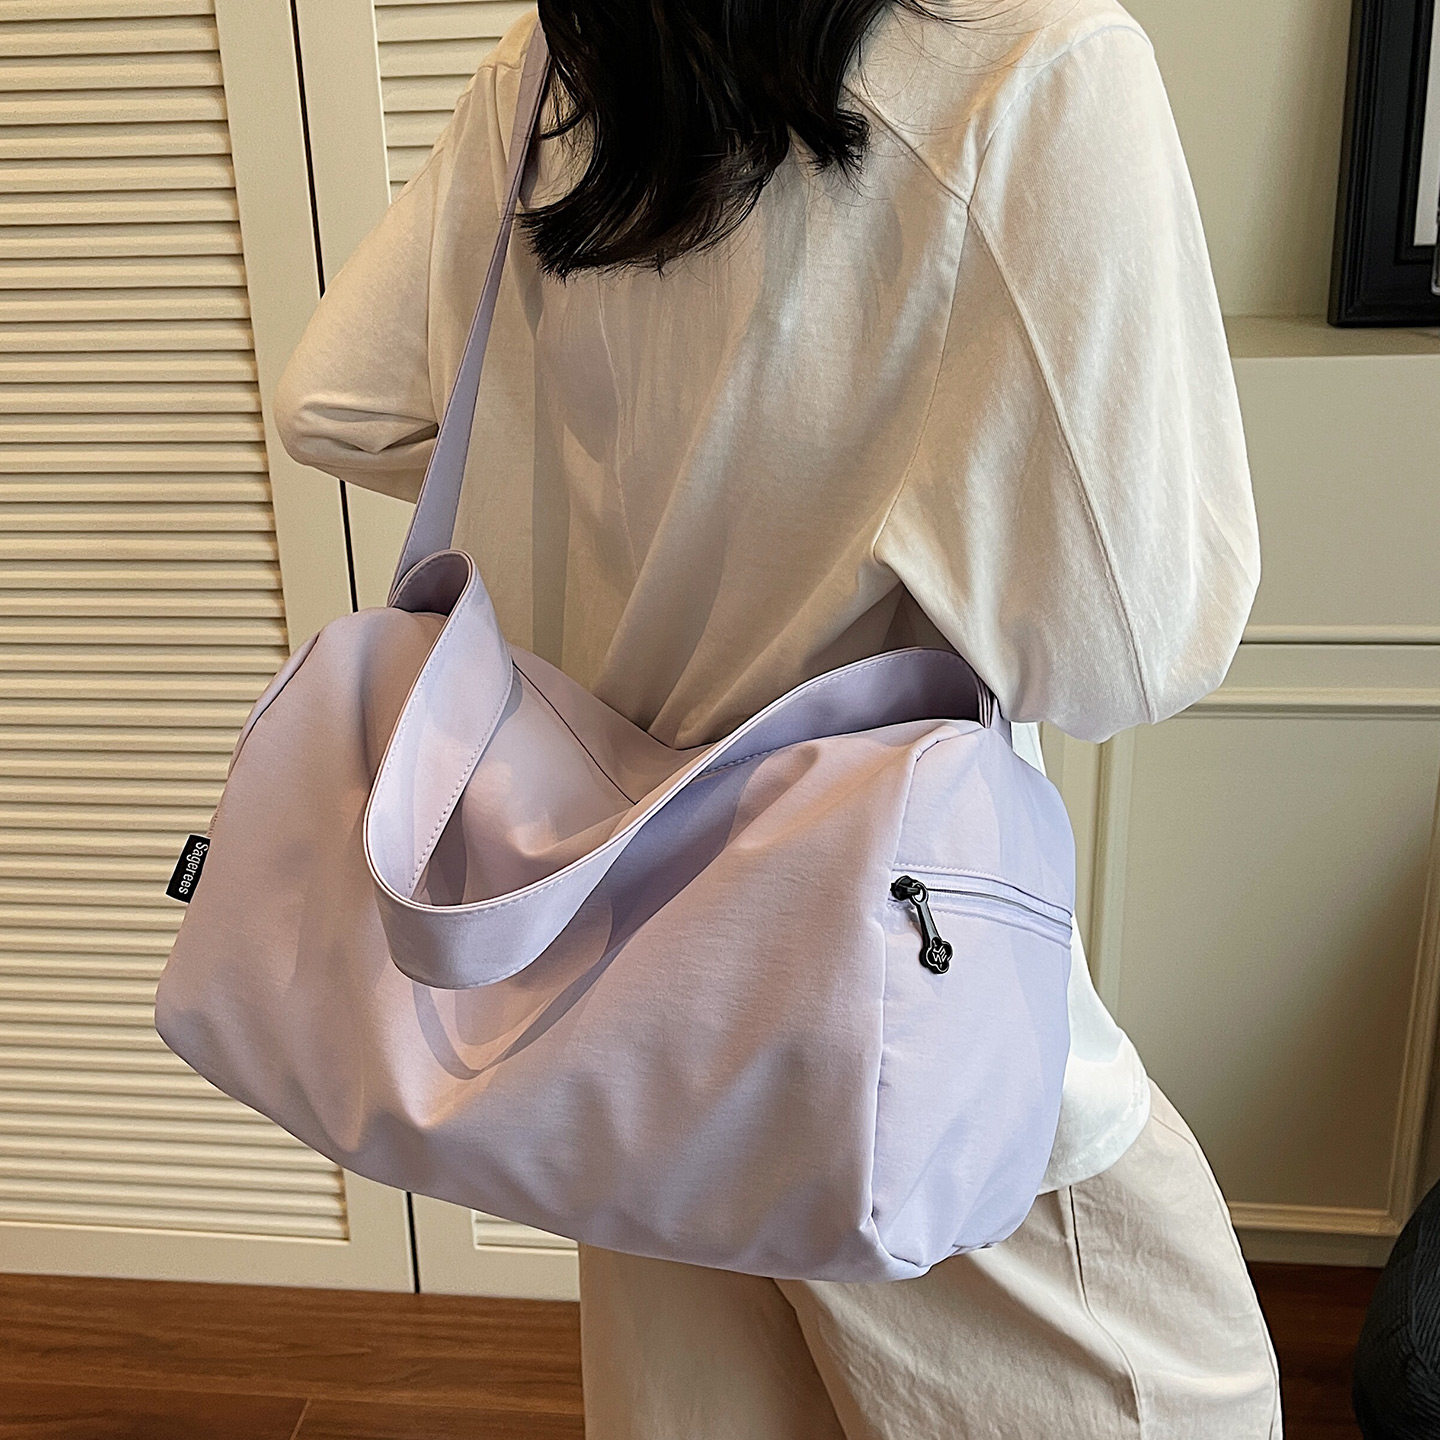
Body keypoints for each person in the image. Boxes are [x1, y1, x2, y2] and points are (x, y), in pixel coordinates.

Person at [274, 0, 1281, 1433]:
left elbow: (337, 403)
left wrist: (583, 484)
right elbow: (1138, 642)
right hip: (882, 996)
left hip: (611, 977)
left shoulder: (567, 65)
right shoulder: (1032, 63)